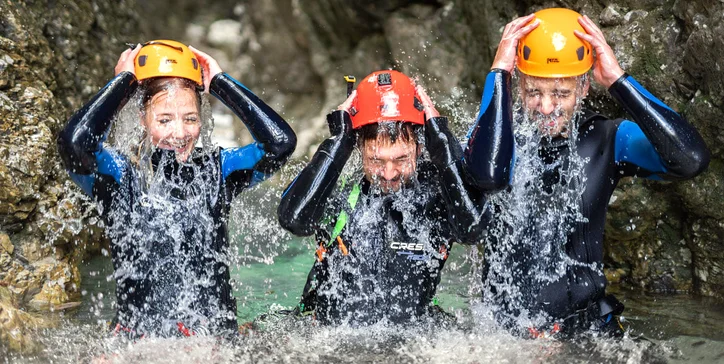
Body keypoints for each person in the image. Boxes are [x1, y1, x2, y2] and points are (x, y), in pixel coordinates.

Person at [465, 8, 710, 337]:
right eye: (534, 92)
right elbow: (488, 177)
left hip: (584, 330)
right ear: (518, 85)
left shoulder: (608, 139)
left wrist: (618, 81)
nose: (547, 107)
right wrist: (498, 74)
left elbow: (690, 159)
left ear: (583, 89)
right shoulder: (493, 141)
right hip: (508, 337)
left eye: (561, 93)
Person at [57, 40, 296, 337]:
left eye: (191, 119)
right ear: (143, 119)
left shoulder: (218, 171)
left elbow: (280, 144)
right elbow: (75, 144)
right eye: (165, 119)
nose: (180, 133)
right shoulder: (119, 176)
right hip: (140, 345)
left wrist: (220, 83)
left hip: (214, 343)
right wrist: (123, 83)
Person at [277, 70, 500, 326]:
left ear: (419, 146)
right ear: (358, 146)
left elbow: (474, 228)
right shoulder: (339, 192)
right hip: (331, 337)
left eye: (401, 159)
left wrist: (441, 141)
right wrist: (338, 143)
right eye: (376, 160)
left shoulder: (440, 194)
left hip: (410, 341)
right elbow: (294, 219)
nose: (389, 173)